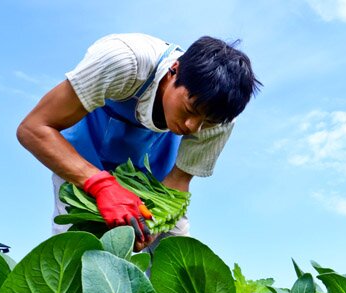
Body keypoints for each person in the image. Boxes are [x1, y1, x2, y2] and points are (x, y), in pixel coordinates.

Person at [17, 33, 261, 250]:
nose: (192, 127)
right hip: (85, 155)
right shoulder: (124, 60)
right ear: (173, 71)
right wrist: (102, 186)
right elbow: (34, 128)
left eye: (206, 122)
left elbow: (178, 181)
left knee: (176, 251)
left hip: (155, 175)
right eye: (189, 109)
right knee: (77, 245)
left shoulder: (222, 118)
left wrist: (154, 222)